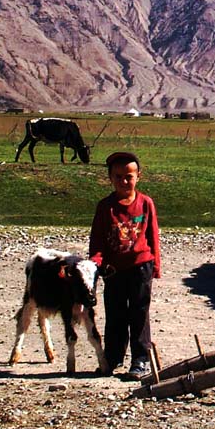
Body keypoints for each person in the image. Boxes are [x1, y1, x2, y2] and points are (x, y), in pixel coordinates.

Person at [89, 151, 161, 379]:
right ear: (110, 178)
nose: (124, 181)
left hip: (141, 266)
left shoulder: (146, 203)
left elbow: (153, 236)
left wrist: (155, 266)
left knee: (139, 314)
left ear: (138, 176)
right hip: (113, 270)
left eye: (128, 176)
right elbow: (97, 240)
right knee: (115, 314)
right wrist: (95, 264)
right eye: (118, 176)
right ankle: (112, 357)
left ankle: (140, 360)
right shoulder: (105, 207)